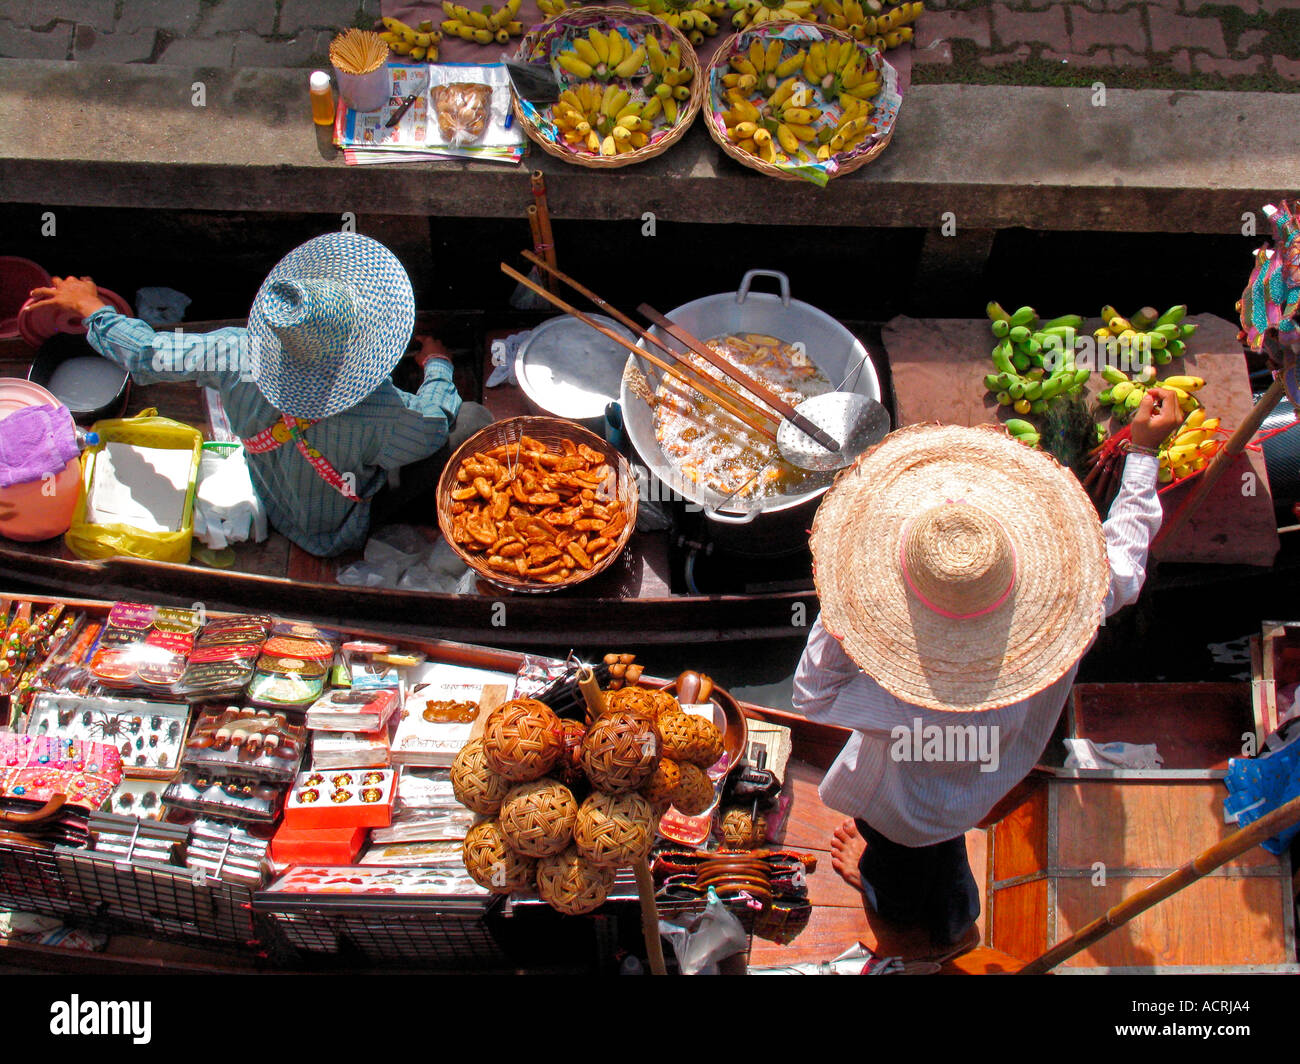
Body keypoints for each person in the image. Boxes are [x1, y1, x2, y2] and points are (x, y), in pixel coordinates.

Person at [790, 391, 1182, 963]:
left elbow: (810, 693)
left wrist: (842, 605)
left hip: (905, 818)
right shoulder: (1071, 612)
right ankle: (953, 922)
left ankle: (917, 945)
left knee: (896, 879)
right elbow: (1124, 564)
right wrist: (1143, 455)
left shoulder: (911, 699)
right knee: (943, 860)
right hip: (974, 796)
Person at [27, 232, 491, 557]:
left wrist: (93, 311)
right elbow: (432, 429)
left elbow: (149, 354)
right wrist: (438, 368)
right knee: (468, 419)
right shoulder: (380, 410)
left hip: (273, 494)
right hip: (339, 528)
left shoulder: (234, 352)